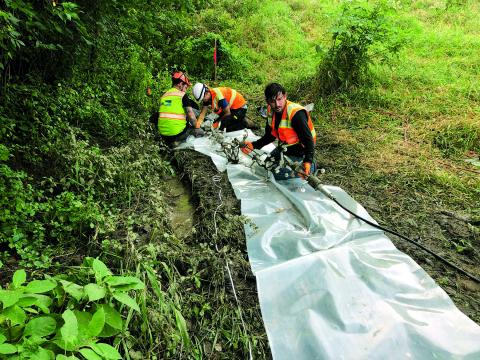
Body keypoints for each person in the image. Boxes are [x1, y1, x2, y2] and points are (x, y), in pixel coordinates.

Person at [241, 83, 316, 180]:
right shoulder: (270, 111)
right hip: (285, 149)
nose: (277, 104)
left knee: (276, 174)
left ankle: (312, 165)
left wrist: (308, 161)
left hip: (301, 152)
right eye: (272, 101)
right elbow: (270, 136)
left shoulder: (296, 114)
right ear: (267, 101)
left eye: (279, 99)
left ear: (285, 96)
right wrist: (254, 145)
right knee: (266, 166)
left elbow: (309, 141)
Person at [158, 72, 204, 145]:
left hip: (163, 135)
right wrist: (197, 126)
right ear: (180, 84)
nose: (185, 90)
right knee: (199, 131)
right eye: (185, 87)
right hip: (177, 134)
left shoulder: (164, 96)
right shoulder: (182, 95)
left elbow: (170, 108)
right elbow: (190, 114)